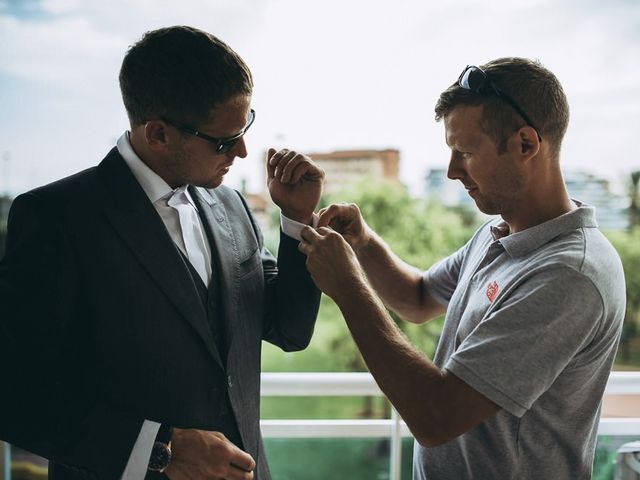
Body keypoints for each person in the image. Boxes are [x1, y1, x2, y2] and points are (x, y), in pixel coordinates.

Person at [0, 26, 323, 480]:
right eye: (225, 140)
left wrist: (295, 222)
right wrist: (161, 448)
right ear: (158, 135)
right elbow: (16, 394)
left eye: (245, 127)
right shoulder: (56, 218)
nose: (245, 150)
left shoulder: (232, 206)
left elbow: (289, 330)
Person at [299, 57, 626, 479]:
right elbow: (417, 298)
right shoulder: (499, 235)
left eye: (466, 153)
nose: (453, 171)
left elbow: (437, 416)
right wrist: (363, 244)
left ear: (526, 144)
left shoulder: (568, 274)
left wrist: (348, 287)